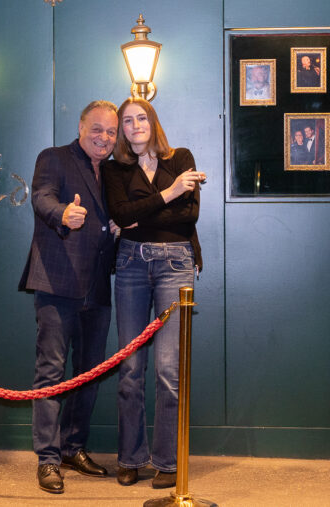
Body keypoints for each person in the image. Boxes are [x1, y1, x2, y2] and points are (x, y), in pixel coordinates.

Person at [101, 98, 205, 491]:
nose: (134, 125)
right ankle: (130, 458)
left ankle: (167, 462)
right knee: (130, 368)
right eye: (127, 121)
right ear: (122, 130)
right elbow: (121, 214)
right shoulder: (115, 169)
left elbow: (189, 215)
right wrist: (170, 193)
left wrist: (139, 214)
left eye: (140, 118)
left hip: (175, 263)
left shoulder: (181, 158)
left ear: (153, 121)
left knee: (168, 370)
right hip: (130, 263)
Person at [18, 100, 121, 494]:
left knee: (88, 373)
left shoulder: (112, 171)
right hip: (57, 282)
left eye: (111, 132)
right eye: (97, 129)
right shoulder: (54, 157)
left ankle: (72, 448)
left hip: (98, 286)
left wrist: (116, 227)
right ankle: (47, 458)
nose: (104, 138)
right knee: (51, 372)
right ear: (80, 127)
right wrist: (62, 213)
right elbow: (41, 197)